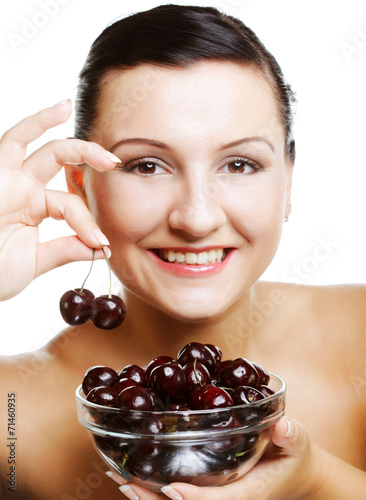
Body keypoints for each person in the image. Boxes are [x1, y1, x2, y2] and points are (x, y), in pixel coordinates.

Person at [0, 4, 365, 500]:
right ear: (80, 185)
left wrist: (316, 481)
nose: (196, 218)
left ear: (288, 181)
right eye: (147, 166)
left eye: (238, 164)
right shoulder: (14, 411)